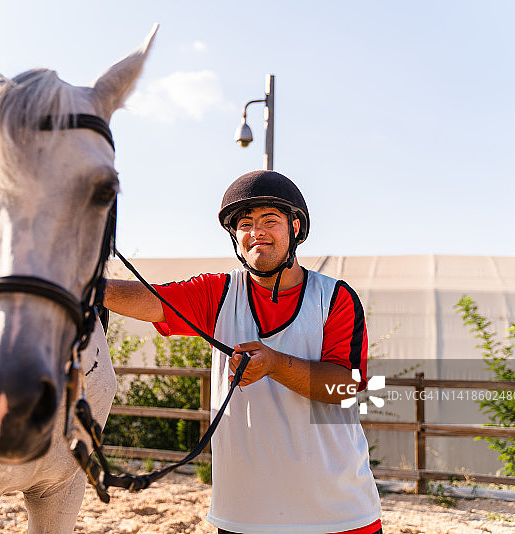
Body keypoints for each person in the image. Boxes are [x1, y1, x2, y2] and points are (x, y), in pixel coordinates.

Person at [104, 170, 382, 534]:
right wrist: (81, 284)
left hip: (338, 514)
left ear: (295, 227)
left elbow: (344, 387)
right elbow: (150, 300)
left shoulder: (335, 297)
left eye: (270, 220)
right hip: (244, 515)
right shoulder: (217, 293)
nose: (256, 232)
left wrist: (275, 364)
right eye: (245, 224)